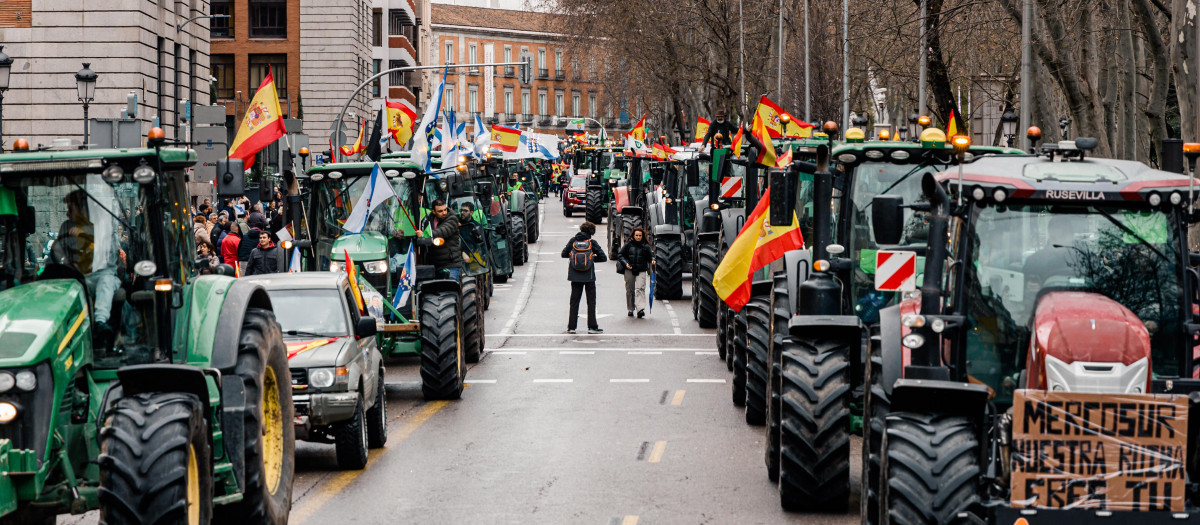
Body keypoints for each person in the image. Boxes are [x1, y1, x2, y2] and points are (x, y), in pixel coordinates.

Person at [53, 189, 123, 343]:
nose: (67, 214)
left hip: (100, 274)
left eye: (71, 209)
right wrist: (68, 265)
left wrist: (84, 235)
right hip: (76, 277)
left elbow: (108, 257)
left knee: (107, 282)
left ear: (83, 208)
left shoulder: (102, 226)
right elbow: (57, 251)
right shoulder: (66, 227)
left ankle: (100, 322)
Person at [561, 221, 608, 334]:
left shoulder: (573, 241)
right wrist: (591, 259)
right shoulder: (592, 242)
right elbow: (603, 257)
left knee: (574, 302)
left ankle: (571, 327)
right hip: (589, 276)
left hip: (574, 276)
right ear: (592, 232)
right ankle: (592, 327)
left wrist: (574, 259)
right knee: (591, 302)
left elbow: (563, 254)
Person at [418, 199, 463, 281]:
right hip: (434, 265)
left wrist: (425, 234)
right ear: (433, 212)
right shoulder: (427, 220)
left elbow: (443, 231)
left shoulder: (452, 218)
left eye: (445, 210)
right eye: (440, 211)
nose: (444, 213)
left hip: (450, 265)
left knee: (450, 287)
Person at [617, 227, 654, 318]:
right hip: (629, 270)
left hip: (641, 270)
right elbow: (620, 255)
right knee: (630, 290)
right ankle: (630, 309)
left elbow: (651, 256)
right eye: (636, 235)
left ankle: (640, 309)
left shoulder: (646, 246)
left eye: (640, 235)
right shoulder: (628, 245)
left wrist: (652, 260)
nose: (638, 237)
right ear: (633, 235)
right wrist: (626, 264)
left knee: (640, 288)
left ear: (642, 236)